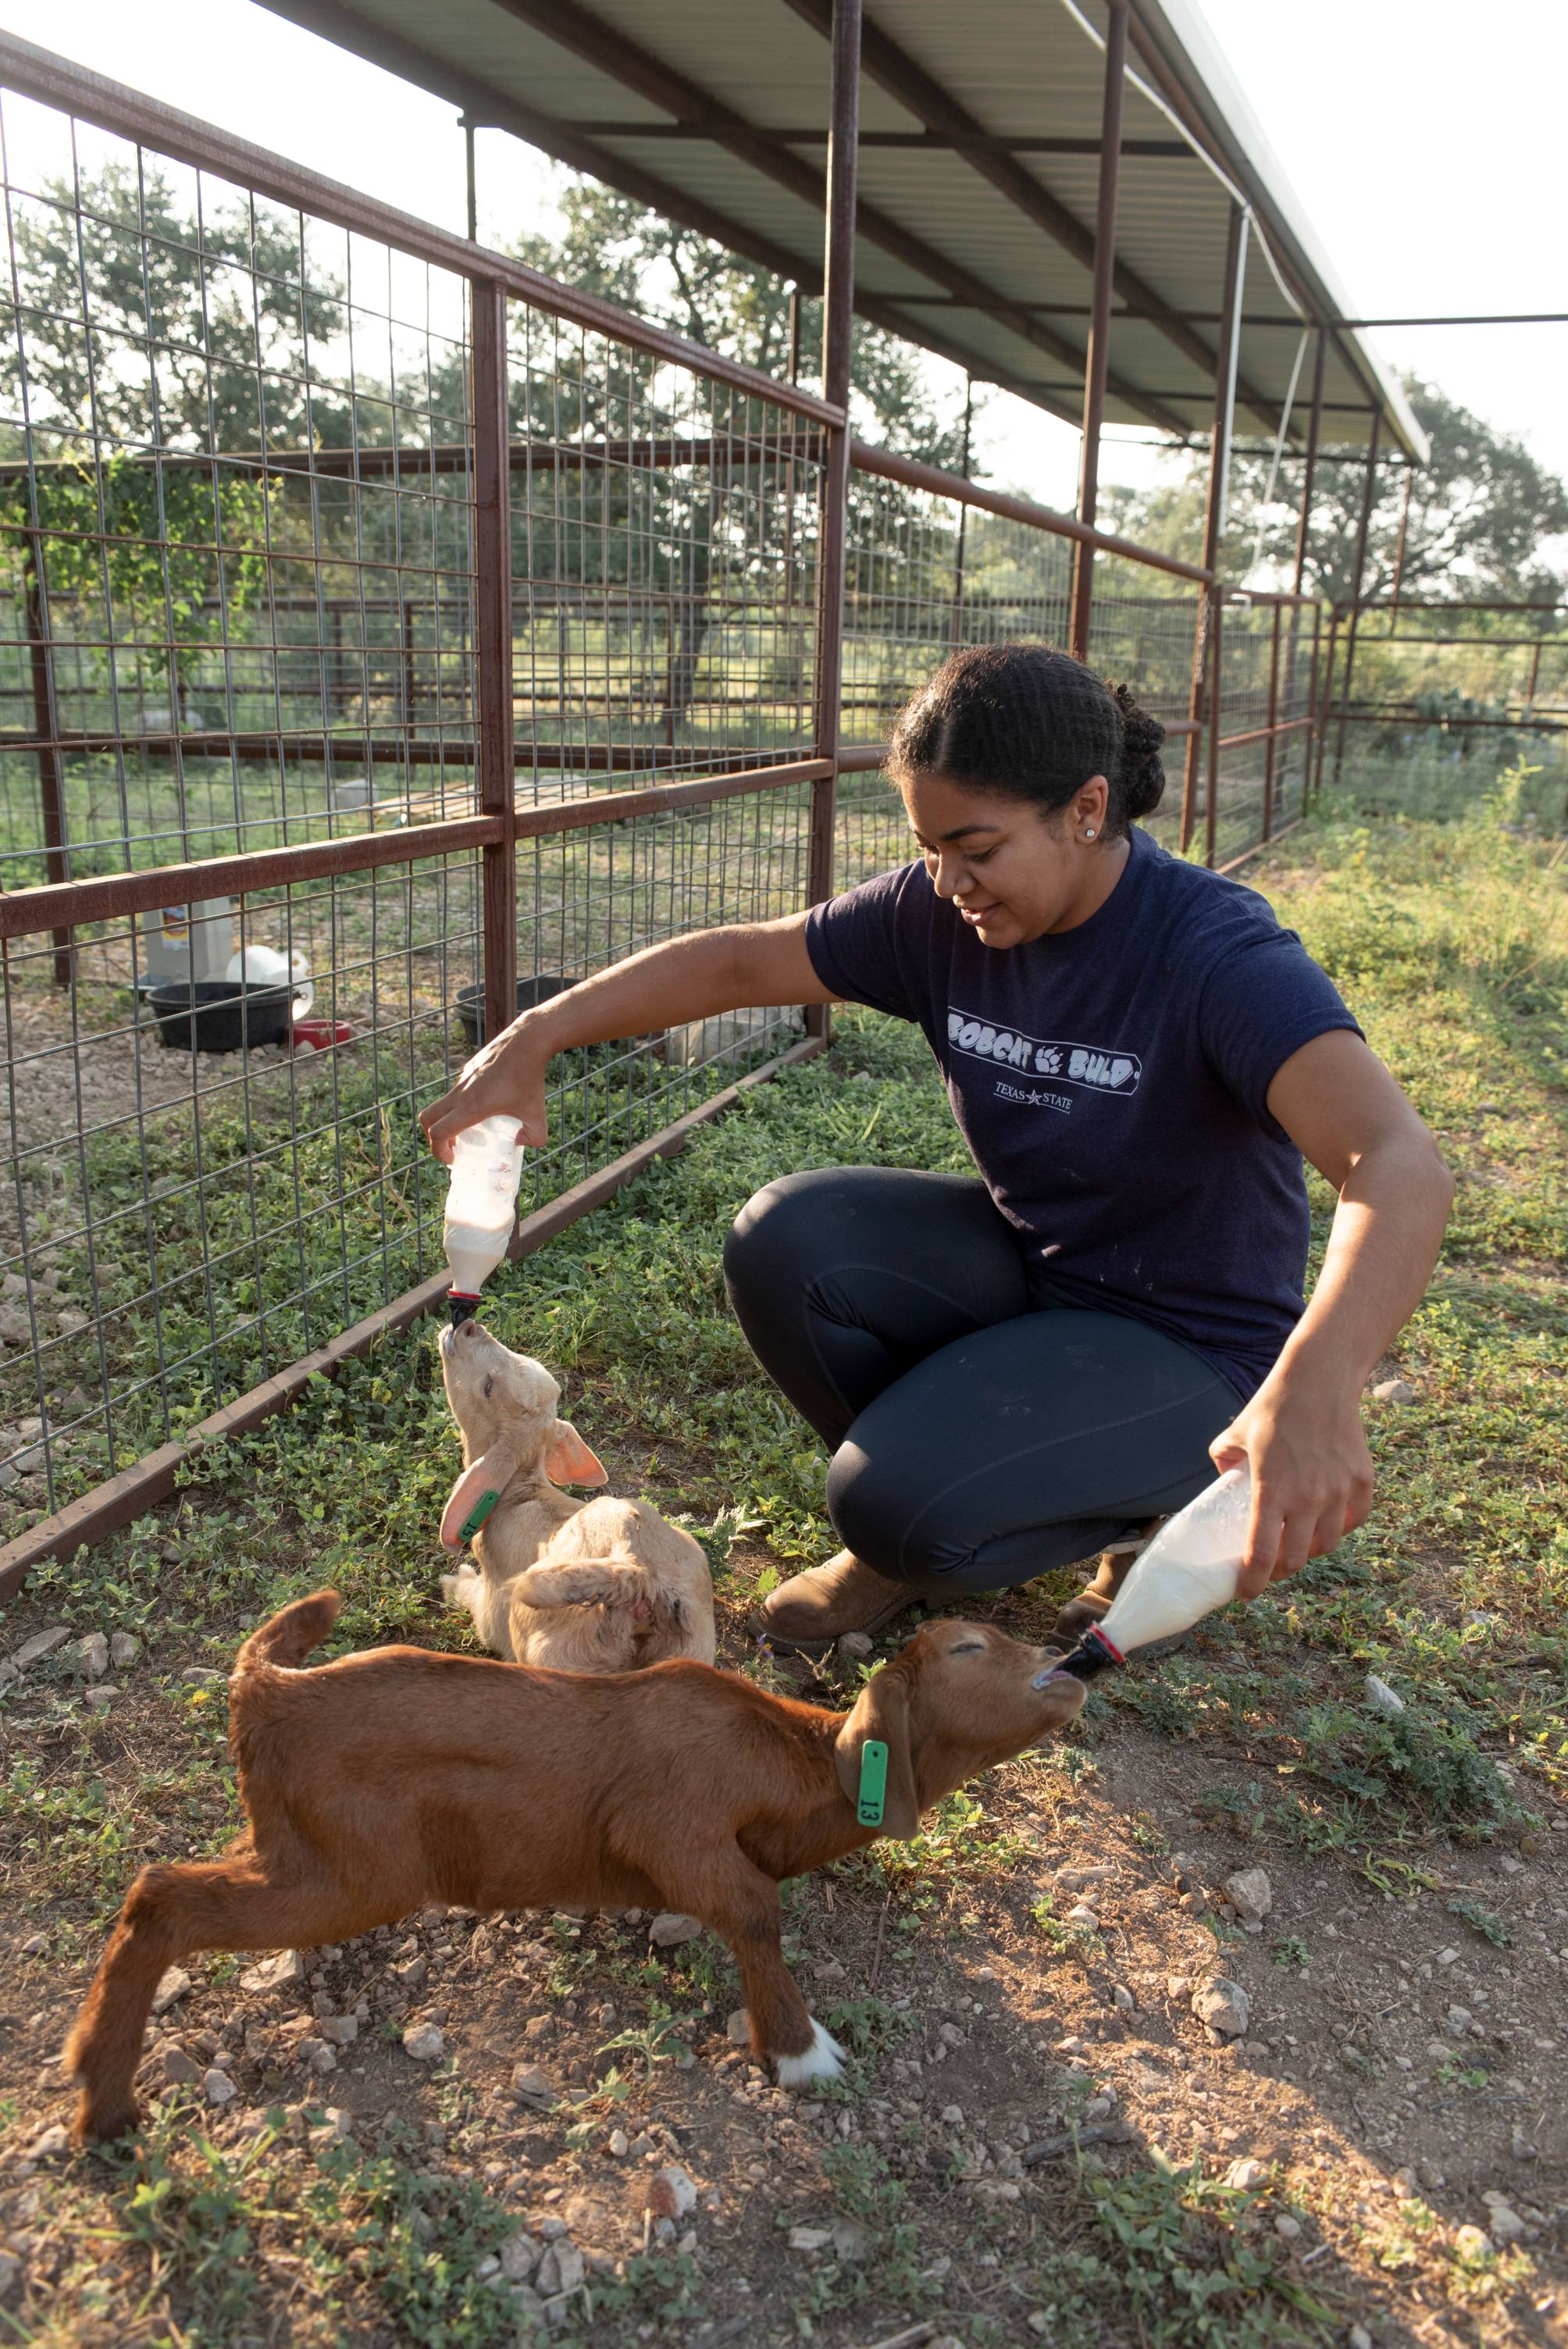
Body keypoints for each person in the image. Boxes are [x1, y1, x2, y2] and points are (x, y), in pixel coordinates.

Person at [422, 643, 1452, 1656]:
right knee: (788, 1239)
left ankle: (1139, 1503)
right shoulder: (940, 913)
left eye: (979, 847)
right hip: (1044, 1269)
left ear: (1087, 810)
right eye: (927, 848)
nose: (948, 880)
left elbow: (1395, 1160)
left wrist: (1316, 1386)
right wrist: (531, 1037)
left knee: (896, 1504)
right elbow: (743, 960)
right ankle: (926, 1525)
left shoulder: (1215, 954)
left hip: (1197, 1341)